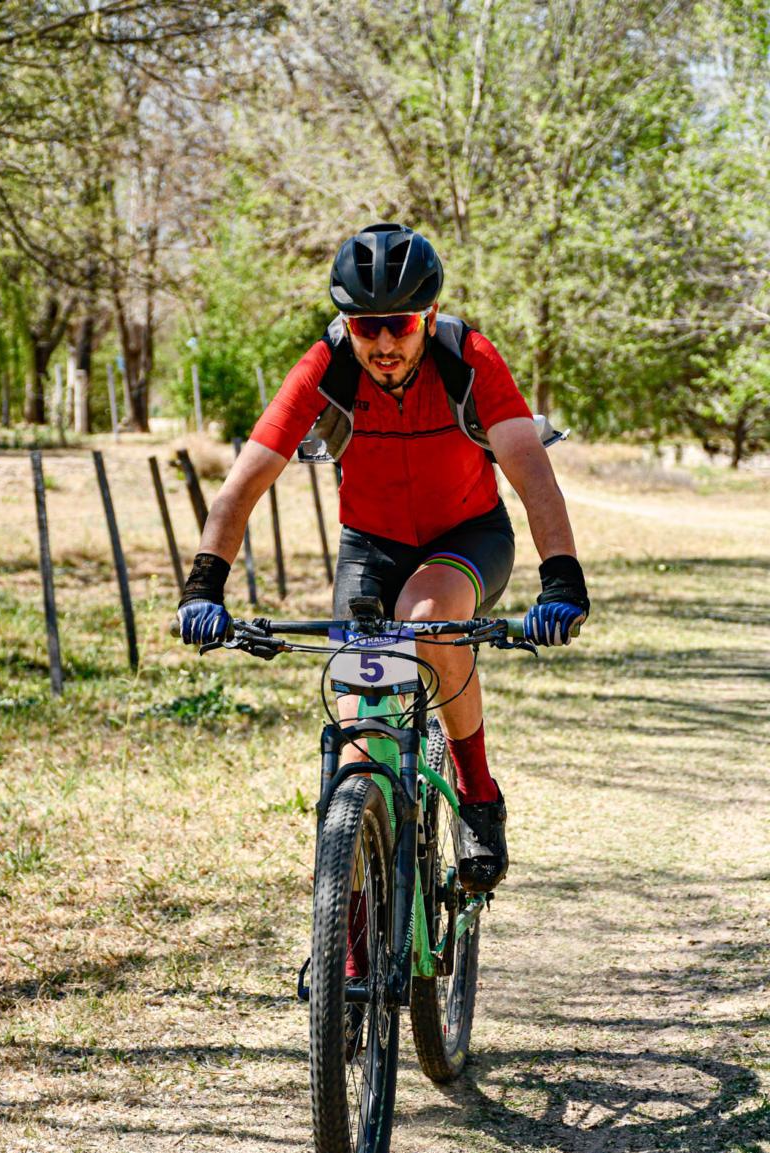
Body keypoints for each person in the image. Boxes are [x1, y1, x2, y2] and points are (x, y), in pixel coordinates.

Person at [177, 223, 589, 893]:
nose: (385, 343)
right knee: (356, 743)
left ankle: (478, 795)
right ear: (347, 324)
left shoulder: (469, 358)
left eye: (400, 324)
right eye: (367, 328)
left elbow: (530, 471)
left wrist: (562, 580)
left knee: (425, 617)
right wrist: (204, 585)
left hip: (468, 538)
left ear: (428, 315)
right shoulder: (325, 367)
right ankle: (353, 915)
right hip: (369, 546)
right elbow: (243, 483)